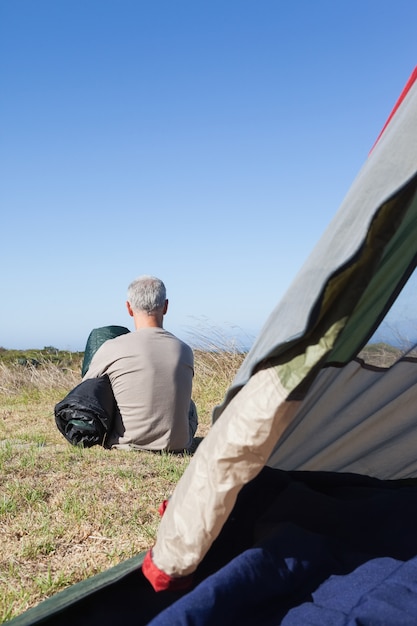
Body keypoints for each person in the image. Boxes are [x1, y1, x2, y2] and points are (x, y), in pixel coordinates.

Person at [82, 275, 198, 452]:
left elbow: (87, 392)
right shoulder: (184, 350)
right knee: (189, 405)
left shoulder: (112, 348)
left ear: (129, 308)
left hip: (126, 444)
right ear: (166, 306)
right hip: (178, 446)